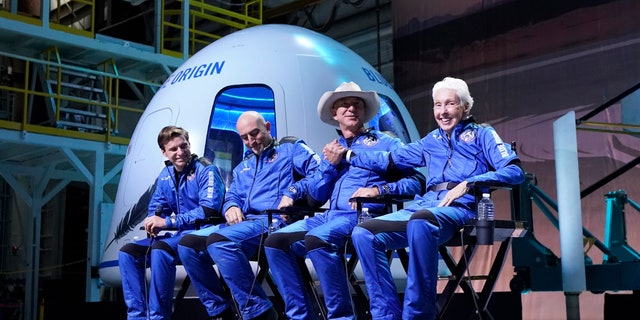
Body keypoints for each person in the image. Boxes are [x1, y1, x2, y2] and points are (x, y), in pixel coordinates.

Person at [346, 77, 526, 320]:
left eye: (450, 104)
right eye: (438, 105)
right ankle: (385, 315)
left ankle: (417, 315)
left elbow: (515, 171)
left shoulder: (483, 134)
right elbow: (391, 159)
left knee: (420, 221)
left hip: (460, 209)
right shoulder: (431, 141)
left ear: (465, 107)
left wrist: (470, 183)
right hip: (426, 206)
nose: (443, 112)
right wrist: (348, 155)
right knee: (364, 233)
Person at [264, 81, 425, 320]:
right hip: (329, 217)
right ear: (334, 113)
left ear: (363, 111)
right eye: (344, 105)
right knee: (275, 241)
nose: (351, 109)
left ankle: (341, 317)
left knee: (317, 239)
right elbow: (317, 197)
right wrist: (329, 165)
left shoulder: (385, 143)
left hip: (362, 217)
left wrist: (378, 190)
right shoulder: (331, 150)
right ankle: (300, 316)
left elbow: (417, 181)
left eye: (357, 104)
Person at [177, 111, 323, 320]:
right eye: (244, 138)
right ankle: (220, 311)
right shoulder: (242, 167)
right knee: (188, 244)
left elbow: (320, 174)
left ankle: (258, 311)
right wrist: (231, 207)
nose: (250, 141)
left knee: (220, 242)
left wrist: (292, 192)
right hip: (243, 224)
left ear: (268, 127)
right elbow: (232, 195)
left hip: (273, 221)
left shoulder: (290, 149)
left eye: (254, 134)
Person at [118, 125, 226, 320]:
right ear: (164, 152)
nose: (180, 152)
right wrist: (152, 220)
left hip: (204, 233)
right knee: (128, 252)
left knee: (160, 249)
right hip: (178, 235)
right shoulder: (165, 175)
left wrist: (167, 222)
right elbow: (156, 207)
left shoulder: (206, 169)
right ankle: (137, 317)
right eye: (173, 149)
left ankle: (159, 316)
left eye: (183, 146)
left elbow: (209, 210)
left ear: (189, 144)